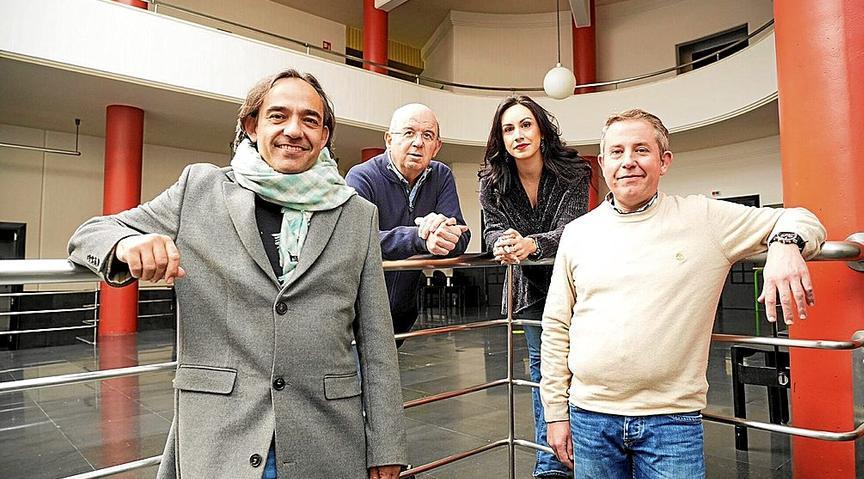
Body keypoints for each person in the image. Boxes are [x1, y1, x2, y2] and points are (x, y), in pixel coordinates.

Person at [68, 69, 406, 479]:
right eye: (277, 116)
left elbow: (376, 341)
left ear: (325, 135)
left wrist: (386, 444)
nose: (294, 131)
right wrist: (125, 245)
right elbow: (90, 233)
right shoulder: (200, 189)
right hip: (221, 434)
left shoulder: (356, 215)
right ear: (252, 126)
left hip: (327, 437)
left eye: (310, 120)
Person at [541, 108, 826, 479]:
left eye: (641, 150)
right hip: (590, 416)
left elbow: (802, 218)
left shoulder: (703, 220)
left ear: (664, 161)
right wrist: (555, 413)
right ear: (603, 163)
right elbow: (557, 326)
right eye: (617, 152)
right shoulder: (578, 232)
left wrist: (785, 245)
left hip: (671, 421)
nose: (628, 162)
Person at [479, 95, 590, 479]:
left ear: (541, 130)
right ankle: (552, 464)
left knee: (583, 371)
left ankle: (588, 455)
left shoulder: (574, 171)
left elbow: (571, 230)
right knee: (545, 374)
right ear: (501, 138)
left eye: (526, 125)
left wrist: (531, 244)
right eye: (509, 129)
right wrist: (502, 241)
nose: (518, 134)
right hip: (530, 293)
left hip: (577, 288)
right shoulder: (492, 182)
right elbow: (491, 228)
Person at [346, 103, 470, 338]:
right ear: (389, 139)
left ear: (437, 146)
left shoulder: (441, 175)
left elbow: (461, 232)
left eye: (428, 135)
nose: (418, 142)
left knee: (389, 375)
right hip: (356, 312)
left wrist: (443, 236)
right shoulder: (361, 176)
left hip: (404, 312)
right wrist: (420, 237)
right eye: (409, 132)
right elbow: (357, 238)